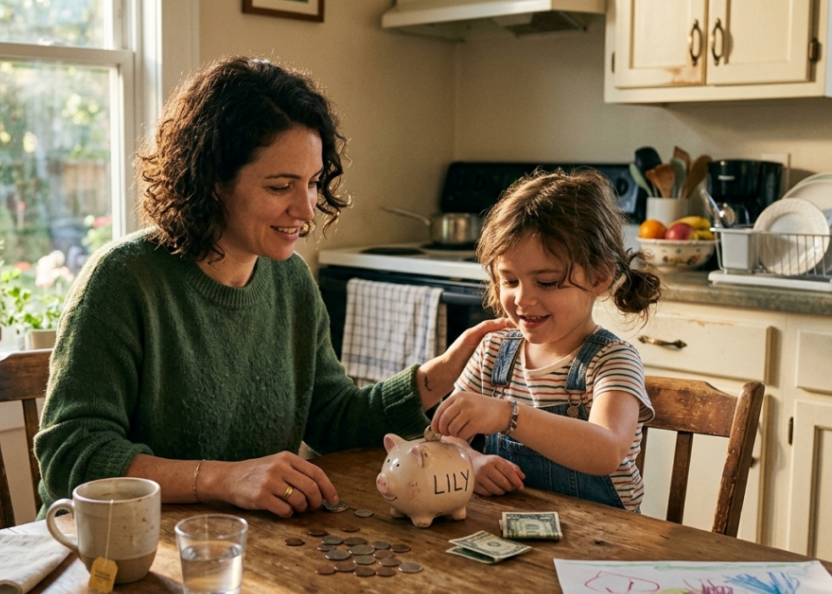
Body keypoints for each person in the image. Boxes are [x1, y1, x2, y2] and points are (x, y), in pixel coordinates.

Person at [34, 55, 507, 519]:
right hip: (114, 556)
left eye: (313, 183)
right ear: (213, 180)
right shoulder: (123, 280)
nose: (305, 211)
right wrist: (223, 479)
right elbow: (71, 457)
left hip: (242, 547)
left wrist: (432, 379)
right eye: (281, 187)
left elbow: (331, 417)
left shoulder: (290, 280)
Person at [430, 169, 662, 512]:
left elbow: (607, 450)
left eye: (548, 282)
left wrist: (507, 415)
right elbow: (444, 435)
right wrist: (470, 460)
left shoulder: (612, 361)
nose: (523, 300)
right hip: (511, 530)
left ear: (599, 277)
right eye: (509, 281)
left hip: (603, 543)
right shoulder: (494, 351)